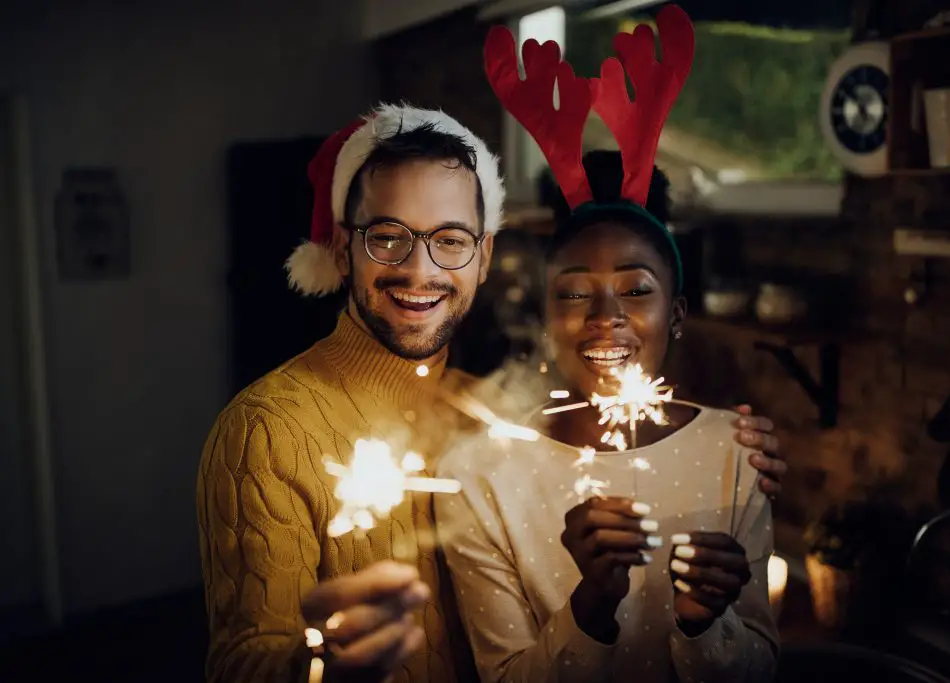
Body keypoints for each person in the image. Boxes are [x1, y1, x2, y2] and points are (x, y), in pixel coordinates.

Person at [196, 101, 784, 683]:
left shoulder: (496, 417)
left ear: (484, 257)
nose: (418, 269)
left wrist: (723, 445)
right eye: (386, 236)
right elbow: (239, 665)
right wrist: (320, 663)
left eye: (449, 240)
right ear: (344, 249)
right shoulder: (266, 431)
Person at [435, 7, 776, 683]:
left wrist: (708, 621)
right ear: (543, 312)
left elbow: (761, 669)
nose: (604, 317)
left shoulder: (735, 454)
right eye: (572, 291)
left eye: (636, 289)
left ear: (677, 314)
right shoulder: (479, 476)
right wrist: (589, 605)